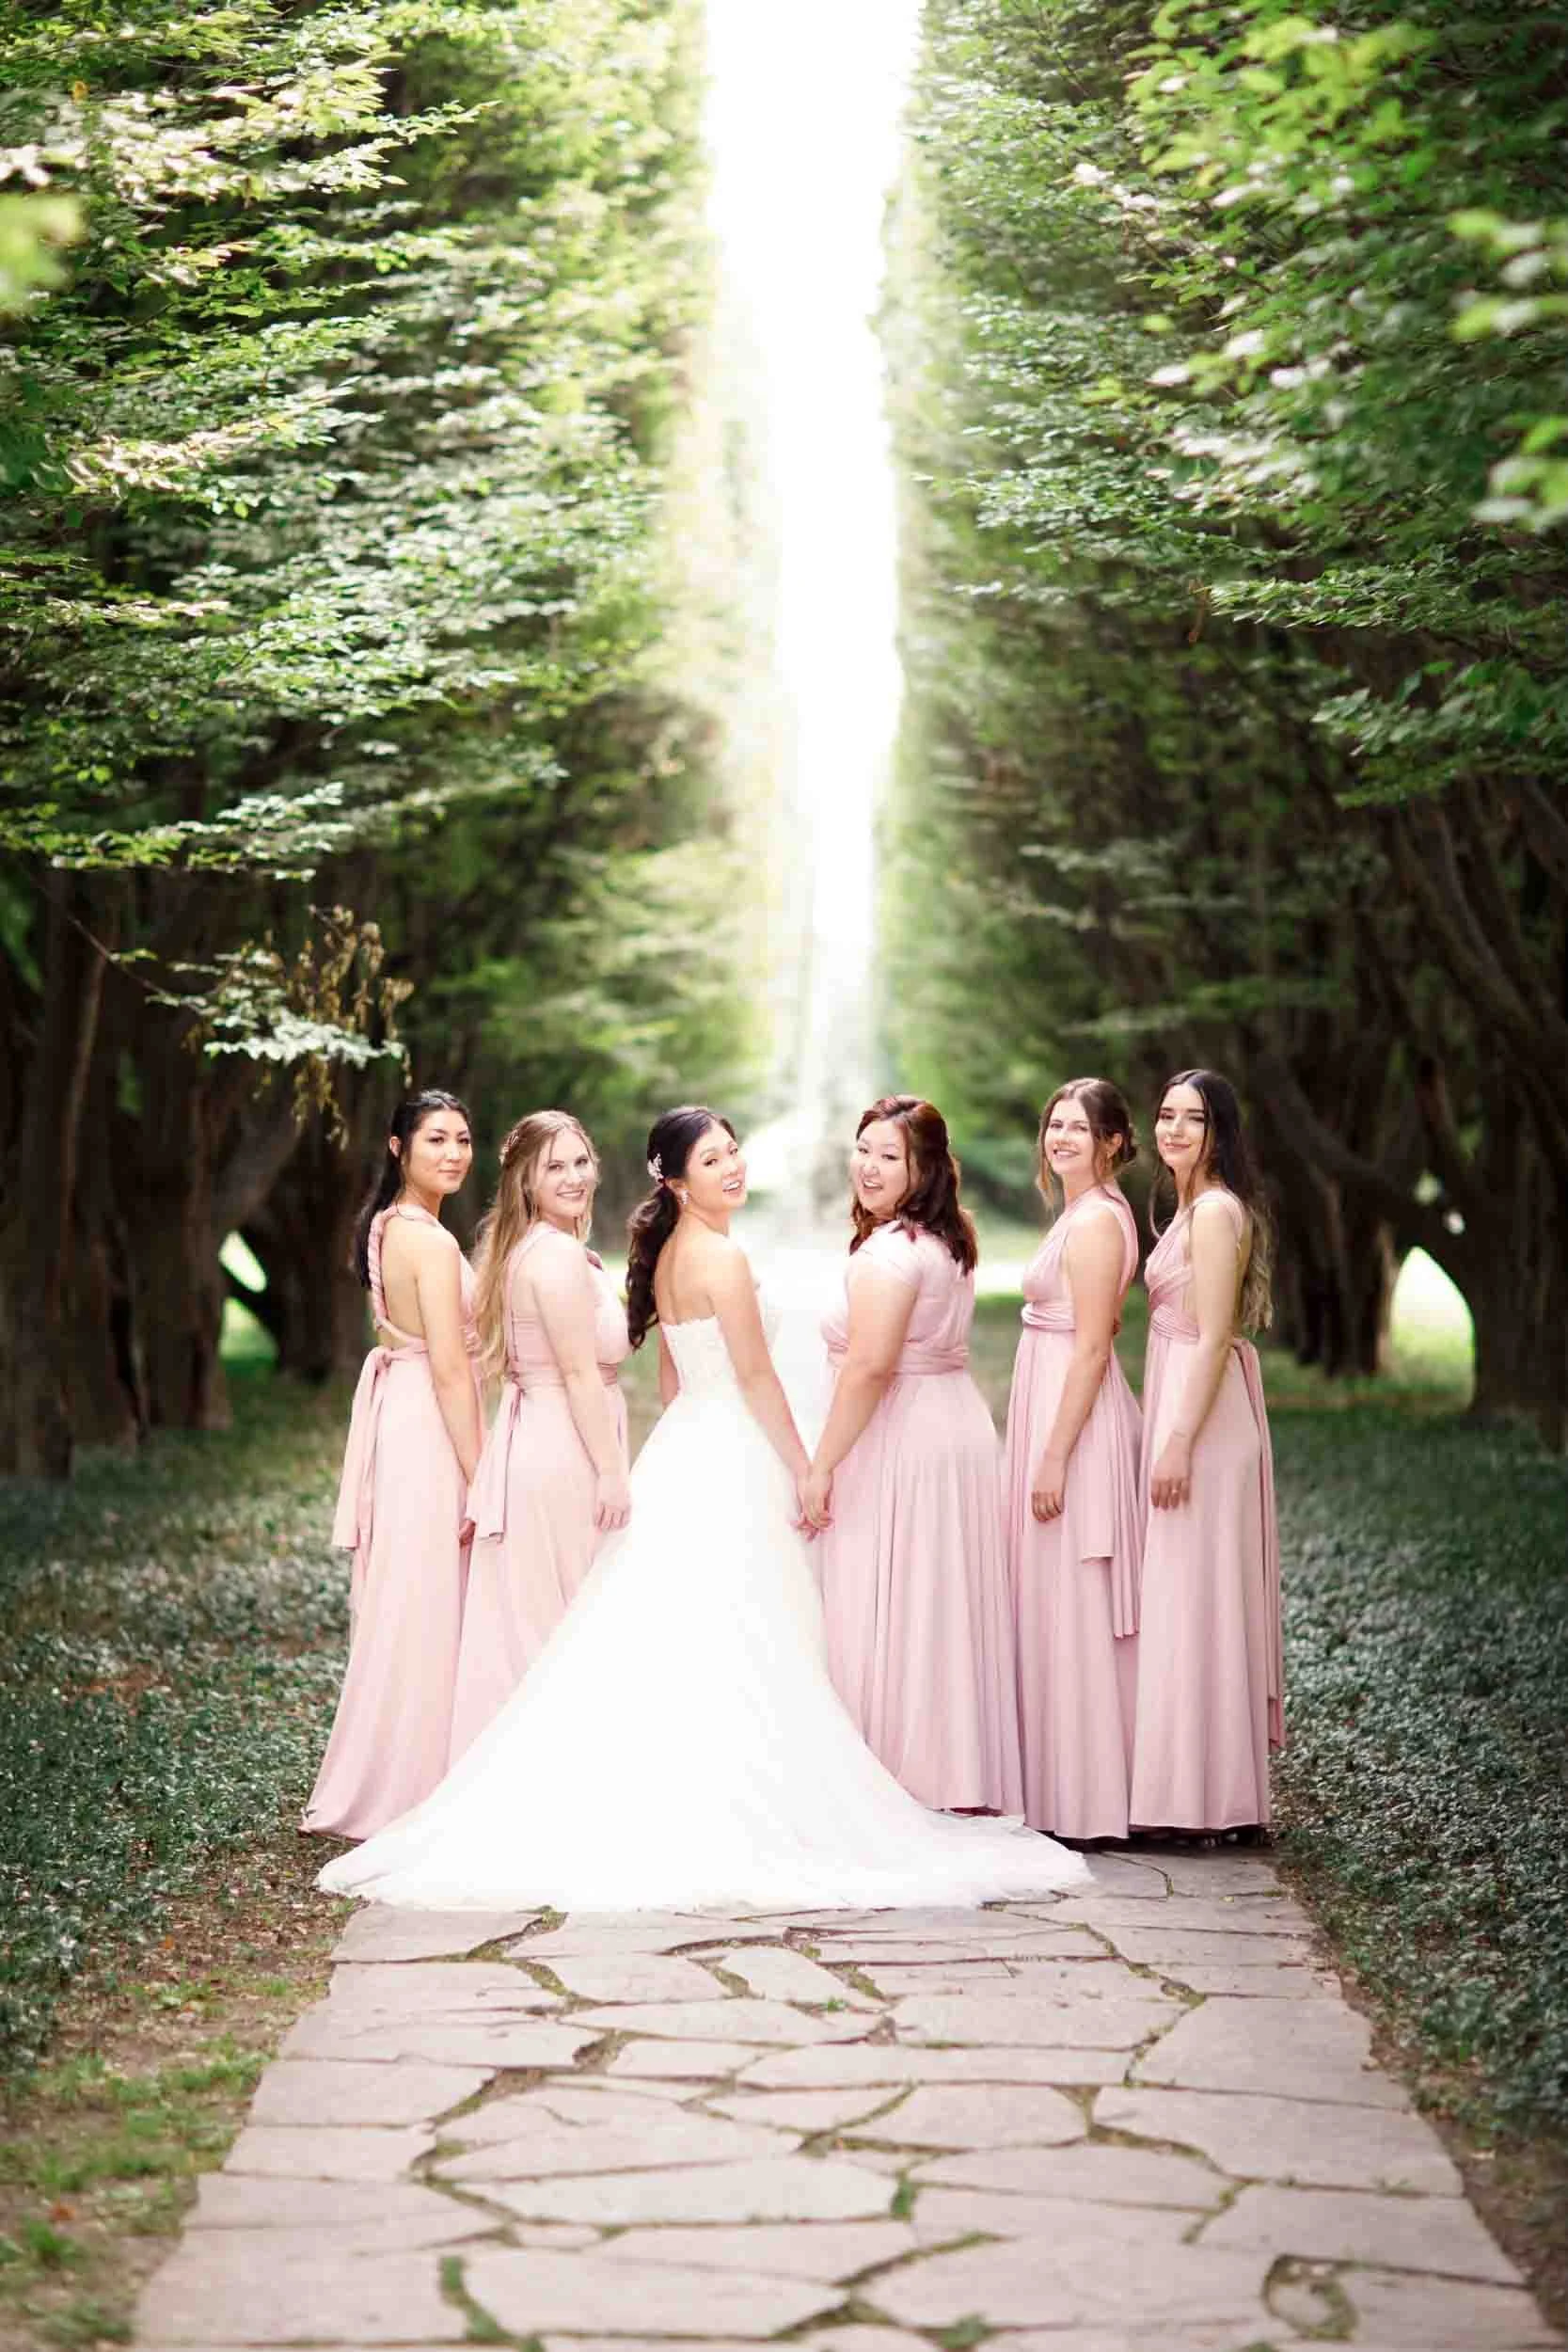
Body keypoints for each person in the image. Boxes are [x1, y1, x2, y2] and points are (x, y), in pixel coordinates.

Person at [317, 1105, 1087, 1910]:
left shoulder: (669, 1254)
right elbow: (754, 1377)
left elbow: (673, 1379)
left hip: (685, 1442)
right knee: (752, 1623)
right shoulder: (718, 1255)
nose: (733, 1167)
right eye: (713, 1159)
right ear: (678, 1181)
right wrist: (806, 1468)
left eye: (733, 1152)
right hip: (732, 1446)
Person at [802, 1096, 1022, 1814]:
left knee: (887, 1598)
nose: (868, 1167)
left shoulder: (890, 1255)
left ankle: (893, 1775)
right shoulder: (946, 1242)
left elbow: (869, 1368)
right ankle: (945, 1771)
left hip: (902, 1433)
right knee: (935, 1602)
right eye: (863, 1149)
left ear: (922, 1167)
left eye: (888, 1156)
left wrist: (822, 1464)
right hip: (952, 1421)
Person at [304, 1089, 482, 1839]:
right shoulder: (427, 1241)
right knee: (427, 1593)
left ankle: (411, 1765)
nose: (453, 1153)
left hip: (405, 1415)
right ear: (397, 1147)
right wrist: (482, 1475)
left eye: (463, 1139)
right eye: (435, 1139)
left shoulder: (386, 1225)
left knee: (411, 1589)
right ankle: (414, 1779)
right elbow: (449, 1369)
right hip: (429, 1424)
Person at [448, 1111, 630, 1762]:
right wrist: (611, 1470)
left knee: (545, 1623)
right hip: (564, 1450)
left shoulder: (536, 1248)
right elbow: (579, 1372)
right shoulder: (553, 1256)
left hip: (543, 1437)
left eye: (581, 1161)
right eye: (555, 1166)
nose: (574, 1177)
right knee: (569, 1623)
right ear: (526, 1180)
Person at [1131, 1068, 1283, 1838]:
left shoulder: (1217, 1212)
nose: (1174, 1129)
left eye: (1192, 1118)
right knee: (1183, 1602)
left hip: (1206, 1423)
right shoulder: (1188, 1208)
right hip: (1184, 1404)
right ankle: (1185, 1793)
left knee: (1203, 1602)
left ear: (1219, 1132)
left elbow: (1215, 1333)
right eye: (1166, 1115)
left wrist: (1177, 1442)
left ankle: (1211, 1802)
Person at [1004, 1079, 1143, 1842]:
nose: (1059, 1138)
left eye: (1077, 1128)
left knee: (1076, 1600)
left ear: (1111, 1142)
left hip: (1074, 1420)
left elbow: (1092, 1347)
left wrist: (1054, 1456)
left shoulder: (1095, 1222)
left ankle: (1090, 1799)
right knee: (1052, 1599)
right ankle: (1059, 1787)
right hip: (1050, 1400)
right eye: (1053, 1125)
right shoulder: (1080, 1212)